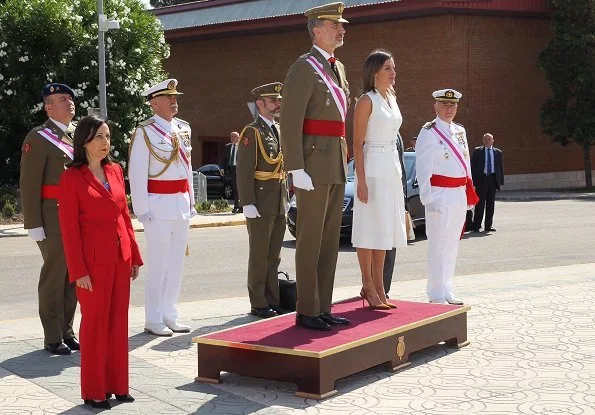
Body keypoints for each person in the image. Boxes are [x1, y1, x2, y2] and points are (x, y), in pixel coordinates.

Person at [58, 116, 142, 409]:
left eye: (107, 136)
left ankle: (118, 385)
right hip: (92, 266)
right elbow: (69, 230)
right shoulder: (71, 178)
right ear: (84, 142)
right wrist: (78, 270)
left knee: (119, 323)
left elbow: (124, 216)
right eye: (99, 138)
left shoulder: (116, 171)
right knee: (94, 326)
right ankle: (94, 391)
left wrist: (134, 255)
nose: (105, 143)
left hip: (121, 259)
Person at [280, 2, 351, 331]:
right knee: (309, 238)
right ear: (316, 29)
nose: (342, 29)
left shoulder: (338, 68)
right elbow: (291, 121)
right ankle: (306, 308)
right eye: (335, 25)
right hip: (311, 163)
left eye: (342, 25)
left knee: (328, 239)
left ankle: (323, 306)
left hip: (334, 162)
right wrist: (296, 168)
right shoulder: (303, 68)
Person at [128, 78, 196, 336]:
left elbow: (188, 169)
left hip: (179, 203)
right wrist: (143, 210)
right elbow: (136, 173)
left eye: (175, 96)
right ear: (154, 103)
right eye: (168, 97)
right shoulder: (145, 132)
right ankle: (153, 317)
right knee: (158, 264)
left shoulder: (182, 128)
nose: (174, 100)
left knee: (176, 263)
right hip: (157, 206)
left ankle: (170, 313)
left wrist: (190, 201)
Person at [19, 83, 78, 355]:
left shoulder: (77, 133)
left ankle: (67, 331)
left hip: (76, 214)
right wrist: (33, 223)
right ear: (48, 107)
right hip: (52, 215)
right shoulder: (39, 137)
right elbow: (29, 183)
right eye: (62, 99)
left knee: (73, 276)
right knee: (55, 276)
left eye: (70, 99)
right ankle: (52, 336)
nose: (69, 103)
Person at [352, 49, 407, 310]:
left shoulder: (391, 98)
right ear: (374, 72)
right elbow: (357, 142)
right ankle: (368, 285)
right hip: (372, 168)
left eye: (393, 68)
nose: (393, 72)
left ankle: (380, 287)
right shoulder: (367, 100)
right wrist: (360, 180)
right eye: (388, 68)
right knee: (368, 230)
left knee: (384, 229)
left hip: (391, 170)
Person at [415, 89, 479, 305]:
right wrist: (427, 199)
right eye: (444, 105)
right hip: (439, 194)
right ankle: (435, 292)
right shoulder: (428, 132)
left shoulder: (460, 131)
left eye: (452, 106)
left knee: (452, 244)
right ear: (435, 106)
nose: (449, 109)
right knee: (438, 244)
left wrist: (470, 192)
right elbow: (422, 168)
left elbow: (466, 163)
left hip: (459, 193)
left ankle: (447, 287)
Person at [236, 82, 287, 318]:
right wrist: (247, 202)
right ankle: (258, 302)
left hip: (278, 199)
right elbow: (244, 169)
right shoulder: (251, 131)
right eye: (272, 100)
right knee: (259, 254)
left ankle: (271, 299)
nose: (277, 104)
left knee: (273, 254)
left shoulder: (277, 129)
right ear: (260, 103)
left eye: (278, 100)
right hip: (260, 199)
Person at [382, 131, 408, 299]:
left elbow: (402, 169)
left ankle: (384, 288)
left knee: (391, 247)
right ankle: (371, 286)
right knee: (376, 244)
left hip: (395, 195)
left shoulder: (398, 135)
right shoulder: (373, 127)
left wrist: (404, 200)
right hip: (378, 193)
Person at [471, 133, 504, 232]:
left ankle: (488, 226)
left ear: (493, 141)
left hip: (493, 180)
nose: (487, 141)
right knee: (480, 204)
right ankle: (476, 226)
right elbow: (472, 167)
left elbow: (500, 168)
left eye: (489, 139)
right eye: (485, 139)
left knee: (490, 204)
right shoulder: (478, 151)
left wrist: (501, 182)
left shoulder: (498, 152)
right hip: (481, 180)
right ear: (483, 141)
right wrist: (473, 182)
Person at [224, 131, 242, 212]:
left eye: (235, 136)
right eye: (231, 136)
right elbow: (224, 159)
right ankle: (236, 206)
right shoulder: (227, 147)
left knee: (241, 188)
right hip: (232, 169)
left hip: (240, 169)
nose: (233, 138)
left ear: (238, 138)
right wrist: (222, 168)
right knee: (235, 188)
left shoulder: (242, 147)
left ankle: (241, 206)